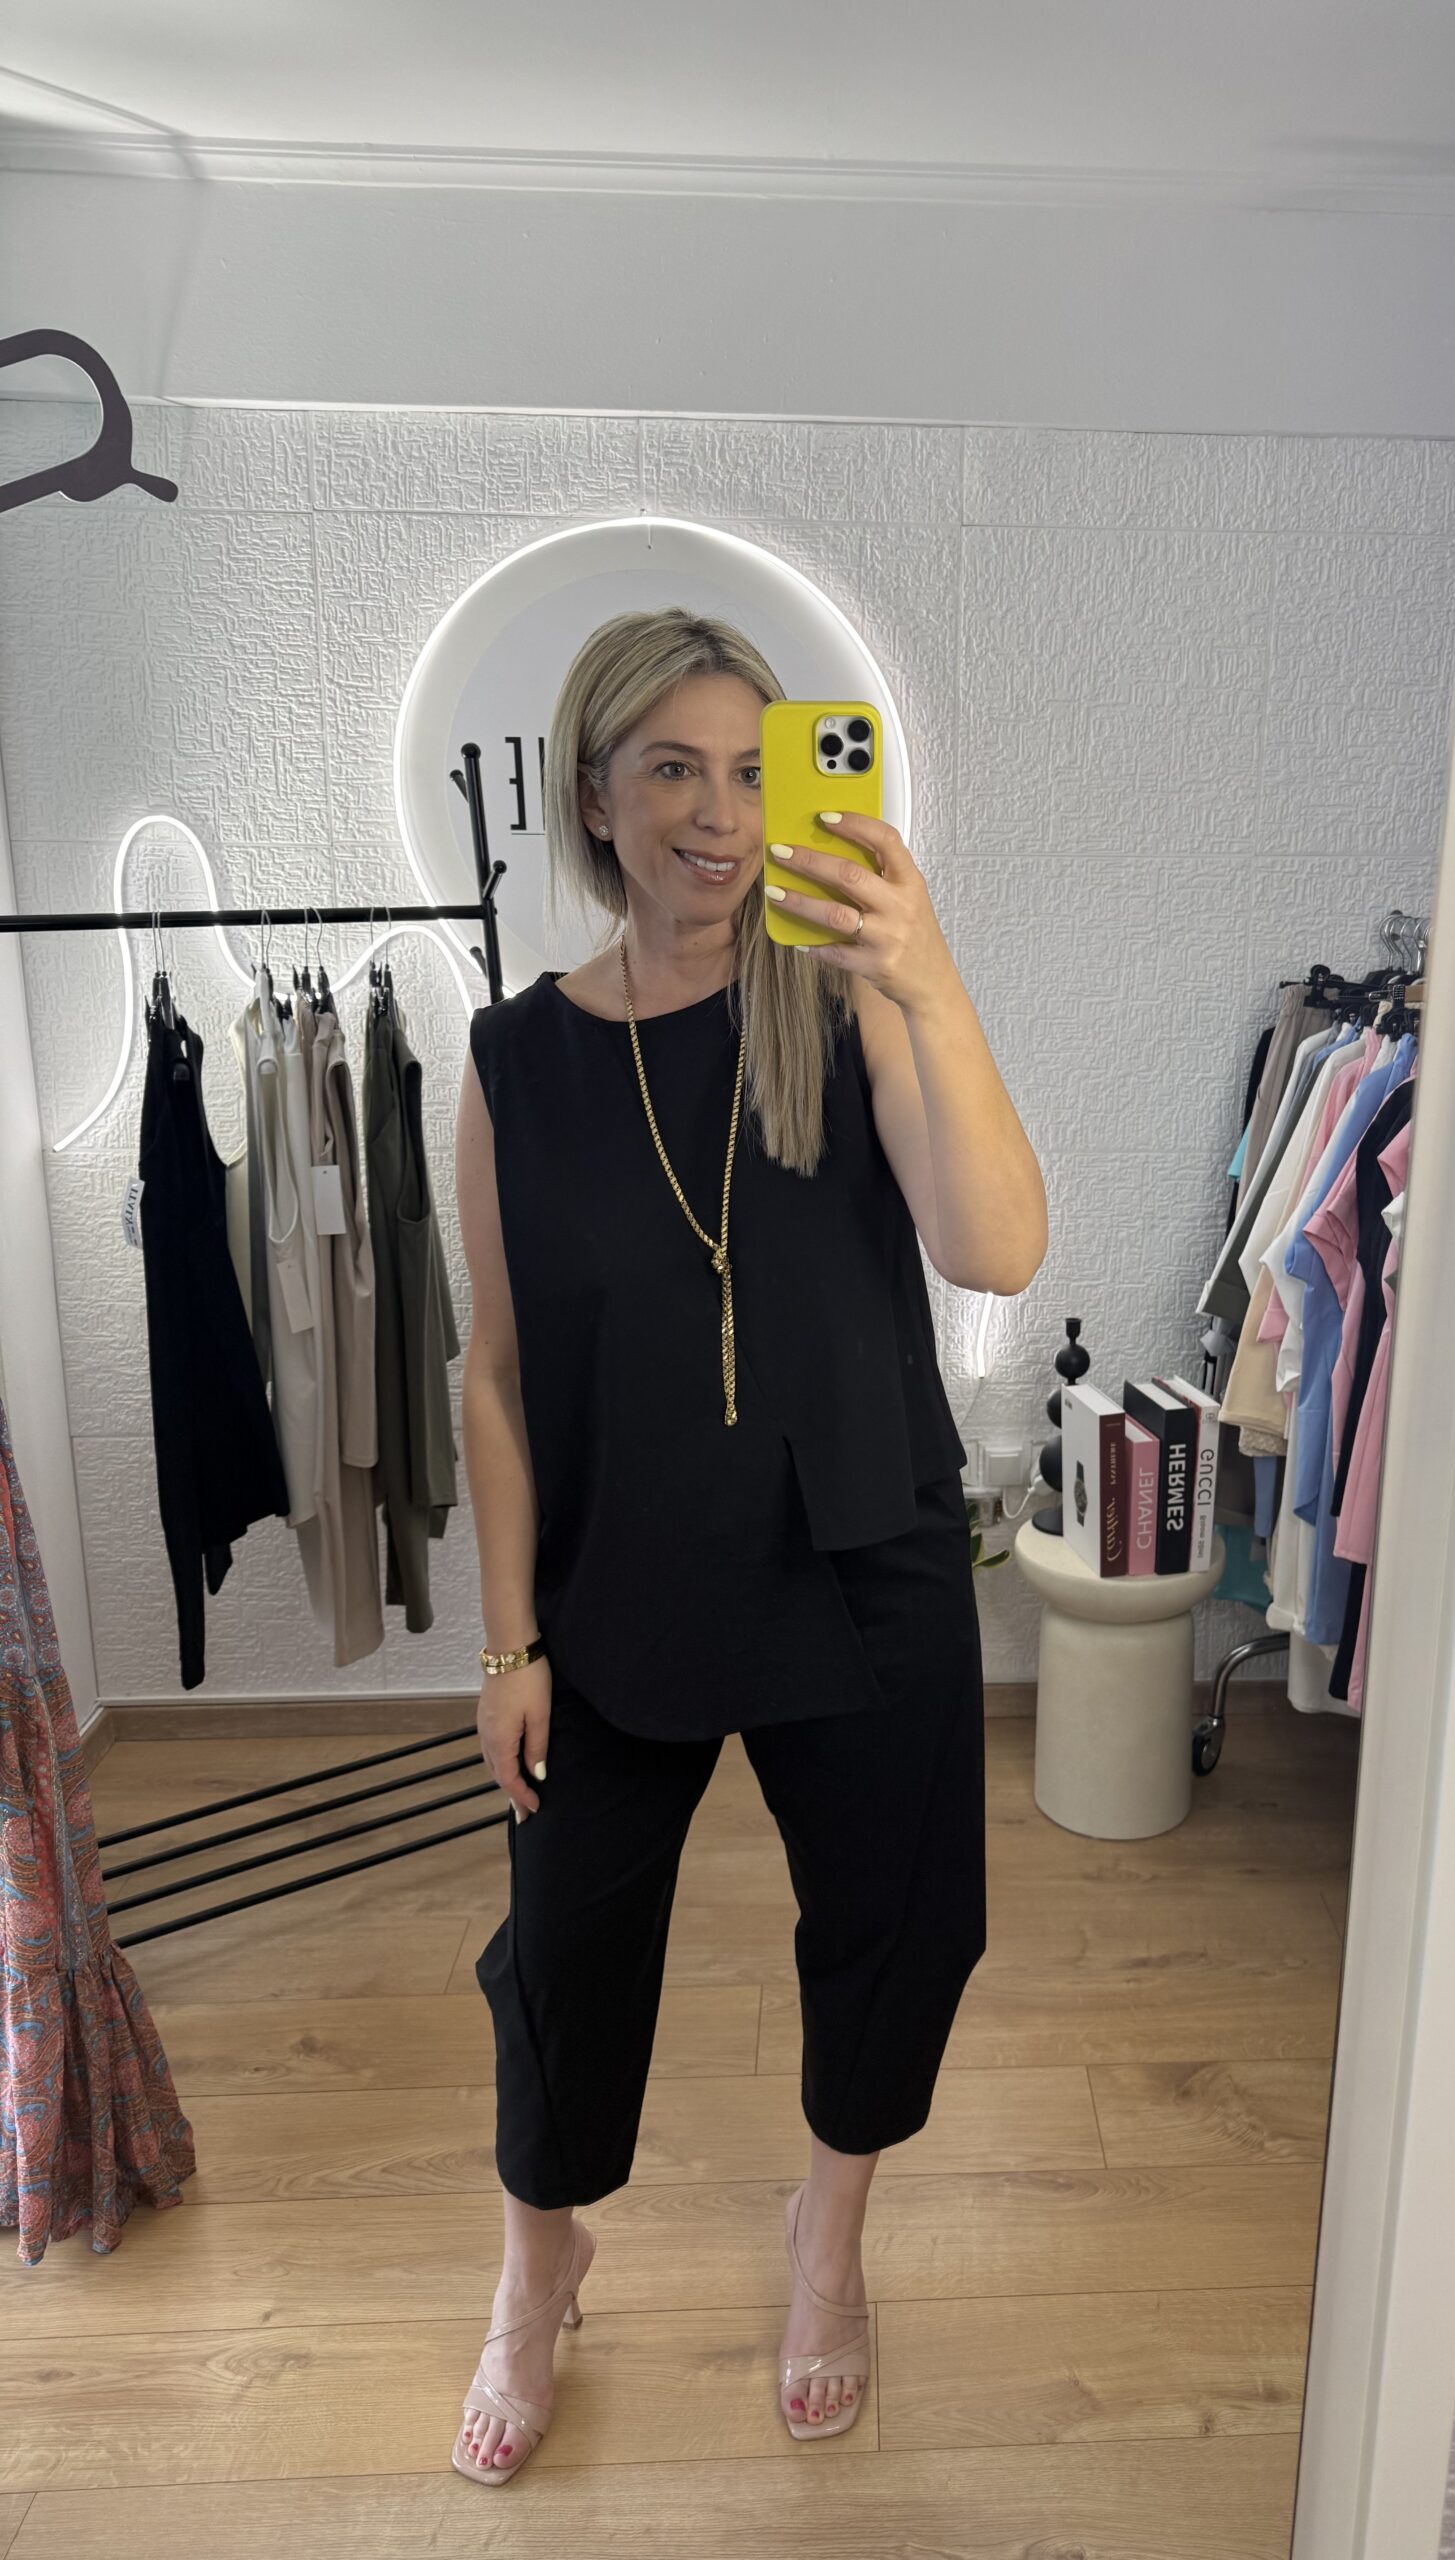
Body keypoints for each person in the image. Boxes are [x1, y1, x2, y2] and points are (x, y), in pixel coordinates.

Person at [448, 608, 1048, 2481]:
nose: (717, 814)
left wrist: (927, 971)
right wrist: (505, 1643)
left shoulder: (844, 1004)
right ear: (597, 798)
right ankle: (539, 2270)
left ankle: (827, 2246)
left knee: (899, 1921)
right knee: (561, 1954)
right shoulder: (516, 1062)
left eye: (746, 769)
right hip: (616, 1582)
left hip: (862, 1555)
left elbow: (999, 1249)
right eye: (672, 770)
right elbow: (494, 1372)